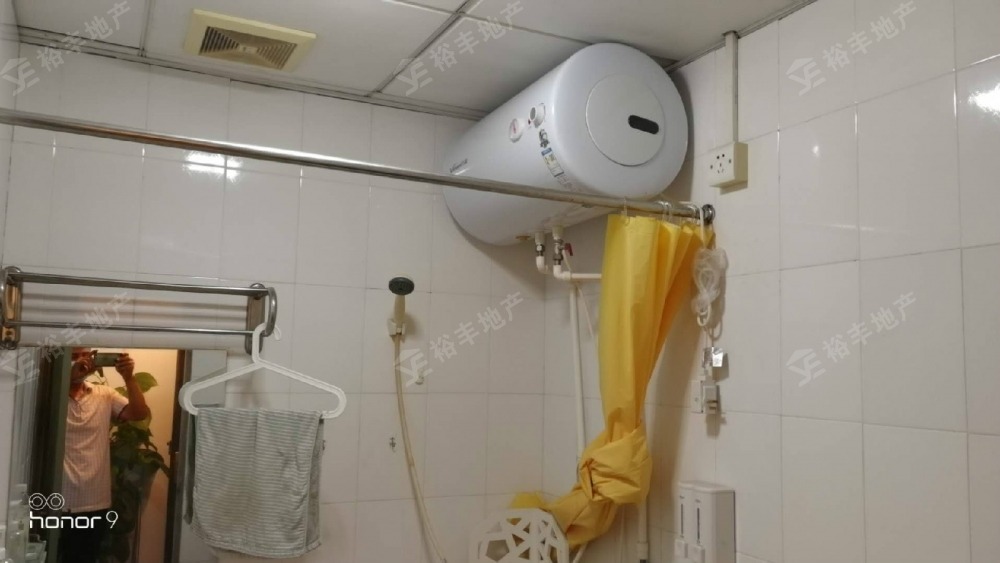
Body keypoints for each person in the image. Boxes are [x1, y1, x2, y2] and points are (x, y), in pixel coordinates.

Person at [59, 349, 150, 563]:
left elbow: (138, 413)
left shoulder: (105, 394)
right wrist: (68, 379)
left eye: (86, 355)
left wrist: (129, 378)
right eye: (74, 356)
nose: (82, 361)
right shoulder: (52, 394)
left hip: (95, 501)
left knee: (86, 558)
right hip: (58, 501)